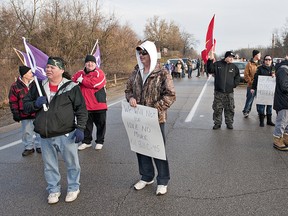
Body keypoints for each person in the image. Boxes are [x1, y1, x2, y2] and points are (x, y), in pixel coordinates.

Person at [23, 57, 88, 204]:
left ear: (61, 70)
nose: (48, 69)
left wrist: (81, 128)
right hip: (45, 135)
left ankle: (73, 187)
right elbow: (26, 105)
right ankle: (53, 190)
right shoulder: (38, 86)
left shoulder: (71, 87)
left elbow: (81, 110)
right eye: (47, 67)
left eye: (52, 67)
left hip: (67, 134)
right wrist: (35, 104)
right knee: (49, 165)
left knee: (72, 164)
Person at [125, 41, 176, 195]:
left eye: (144, 53)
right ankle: (146, 176)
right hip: (138, 118)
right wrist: (131, 98)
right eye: (140, 53)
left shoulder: (162, 73)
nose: (141, 56)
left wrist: (154, 109)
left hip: (155, 119)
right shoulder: (135, 72)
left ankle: (163, 180)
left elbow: (170, 95)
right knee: (141, 148)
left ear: (151, 54)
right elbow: (128, 90)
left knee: (157, 150)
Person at [72, 55, 107, 151]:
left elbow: (96, 84)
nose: (90, 64)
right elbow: (72, 82)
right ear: (85, 64)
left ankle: (100, 141)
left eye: (92, 62)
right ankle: (86, 141)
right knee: (86, 125)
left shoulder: (99, 73)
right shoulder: (80, 73)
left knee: (100, 124)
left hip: (98, 104)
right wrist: (77, 81)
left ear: (95, 64)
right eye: (88, 62)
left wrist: (83, 80)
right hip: (85, 105)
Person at [8, 66, 41, 156]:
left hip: (37, 111)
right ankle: (29, 147)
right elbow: (13, 101)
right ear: (24, 74)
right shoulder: (15, 86)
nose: (32, 74)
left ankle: (40, 146)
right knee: (26, 131)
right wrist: (15, 113)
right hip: (24, 113)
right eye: (30, 72)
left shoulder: (36, 83)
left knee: (39, 130)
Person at [207, 51, 240, 130]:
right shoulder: (218, 64)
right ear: (226, 57)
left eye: (233, 57)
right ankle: (217, 123)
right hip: (219, 92)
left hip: (229, 93)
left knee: (230, 108)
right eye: (230, 57)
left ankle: (229, 123)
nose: (232, 59)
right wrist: (210, 60)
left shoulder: (234, 67)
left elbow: (237, 77)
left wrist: (234, 85)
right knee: (217, 109)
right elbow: (210, 70)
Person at [251, 55, 275, 127]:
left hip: (270, 91)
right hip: (261, 91)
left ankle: (269, 121)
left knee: (269, 106)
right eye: (266, 59)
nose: (268, 61)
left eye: (269, 59)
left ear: (271, 60)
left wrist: (274, 75)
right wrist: (253, 88)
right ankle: (261, 121)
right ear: (264, 60)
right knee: (261, 106)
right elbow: (256, 79)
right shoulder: (260, 68)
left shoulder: (274, 68)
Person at [272, 55, 288, 151]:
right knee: (281, 121)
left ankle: (285, 138)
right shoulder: (283, 69)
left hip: (285, 100)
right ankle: (277, 140)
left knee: (286, 122)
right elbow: (284, 86)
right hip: (283, 101)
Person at [242, 50, 261, 118]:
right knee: (250, 99)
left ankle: (260, 112)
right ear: (255, 55)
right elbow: (246, 75)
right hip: (251, 85)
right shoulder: (249, 64)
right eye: (259, 54)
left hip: (260, 85)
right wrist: (251, 82)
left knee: (260, 99)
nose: (260, 56)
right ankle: (246, 111)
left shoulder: (261, 63)